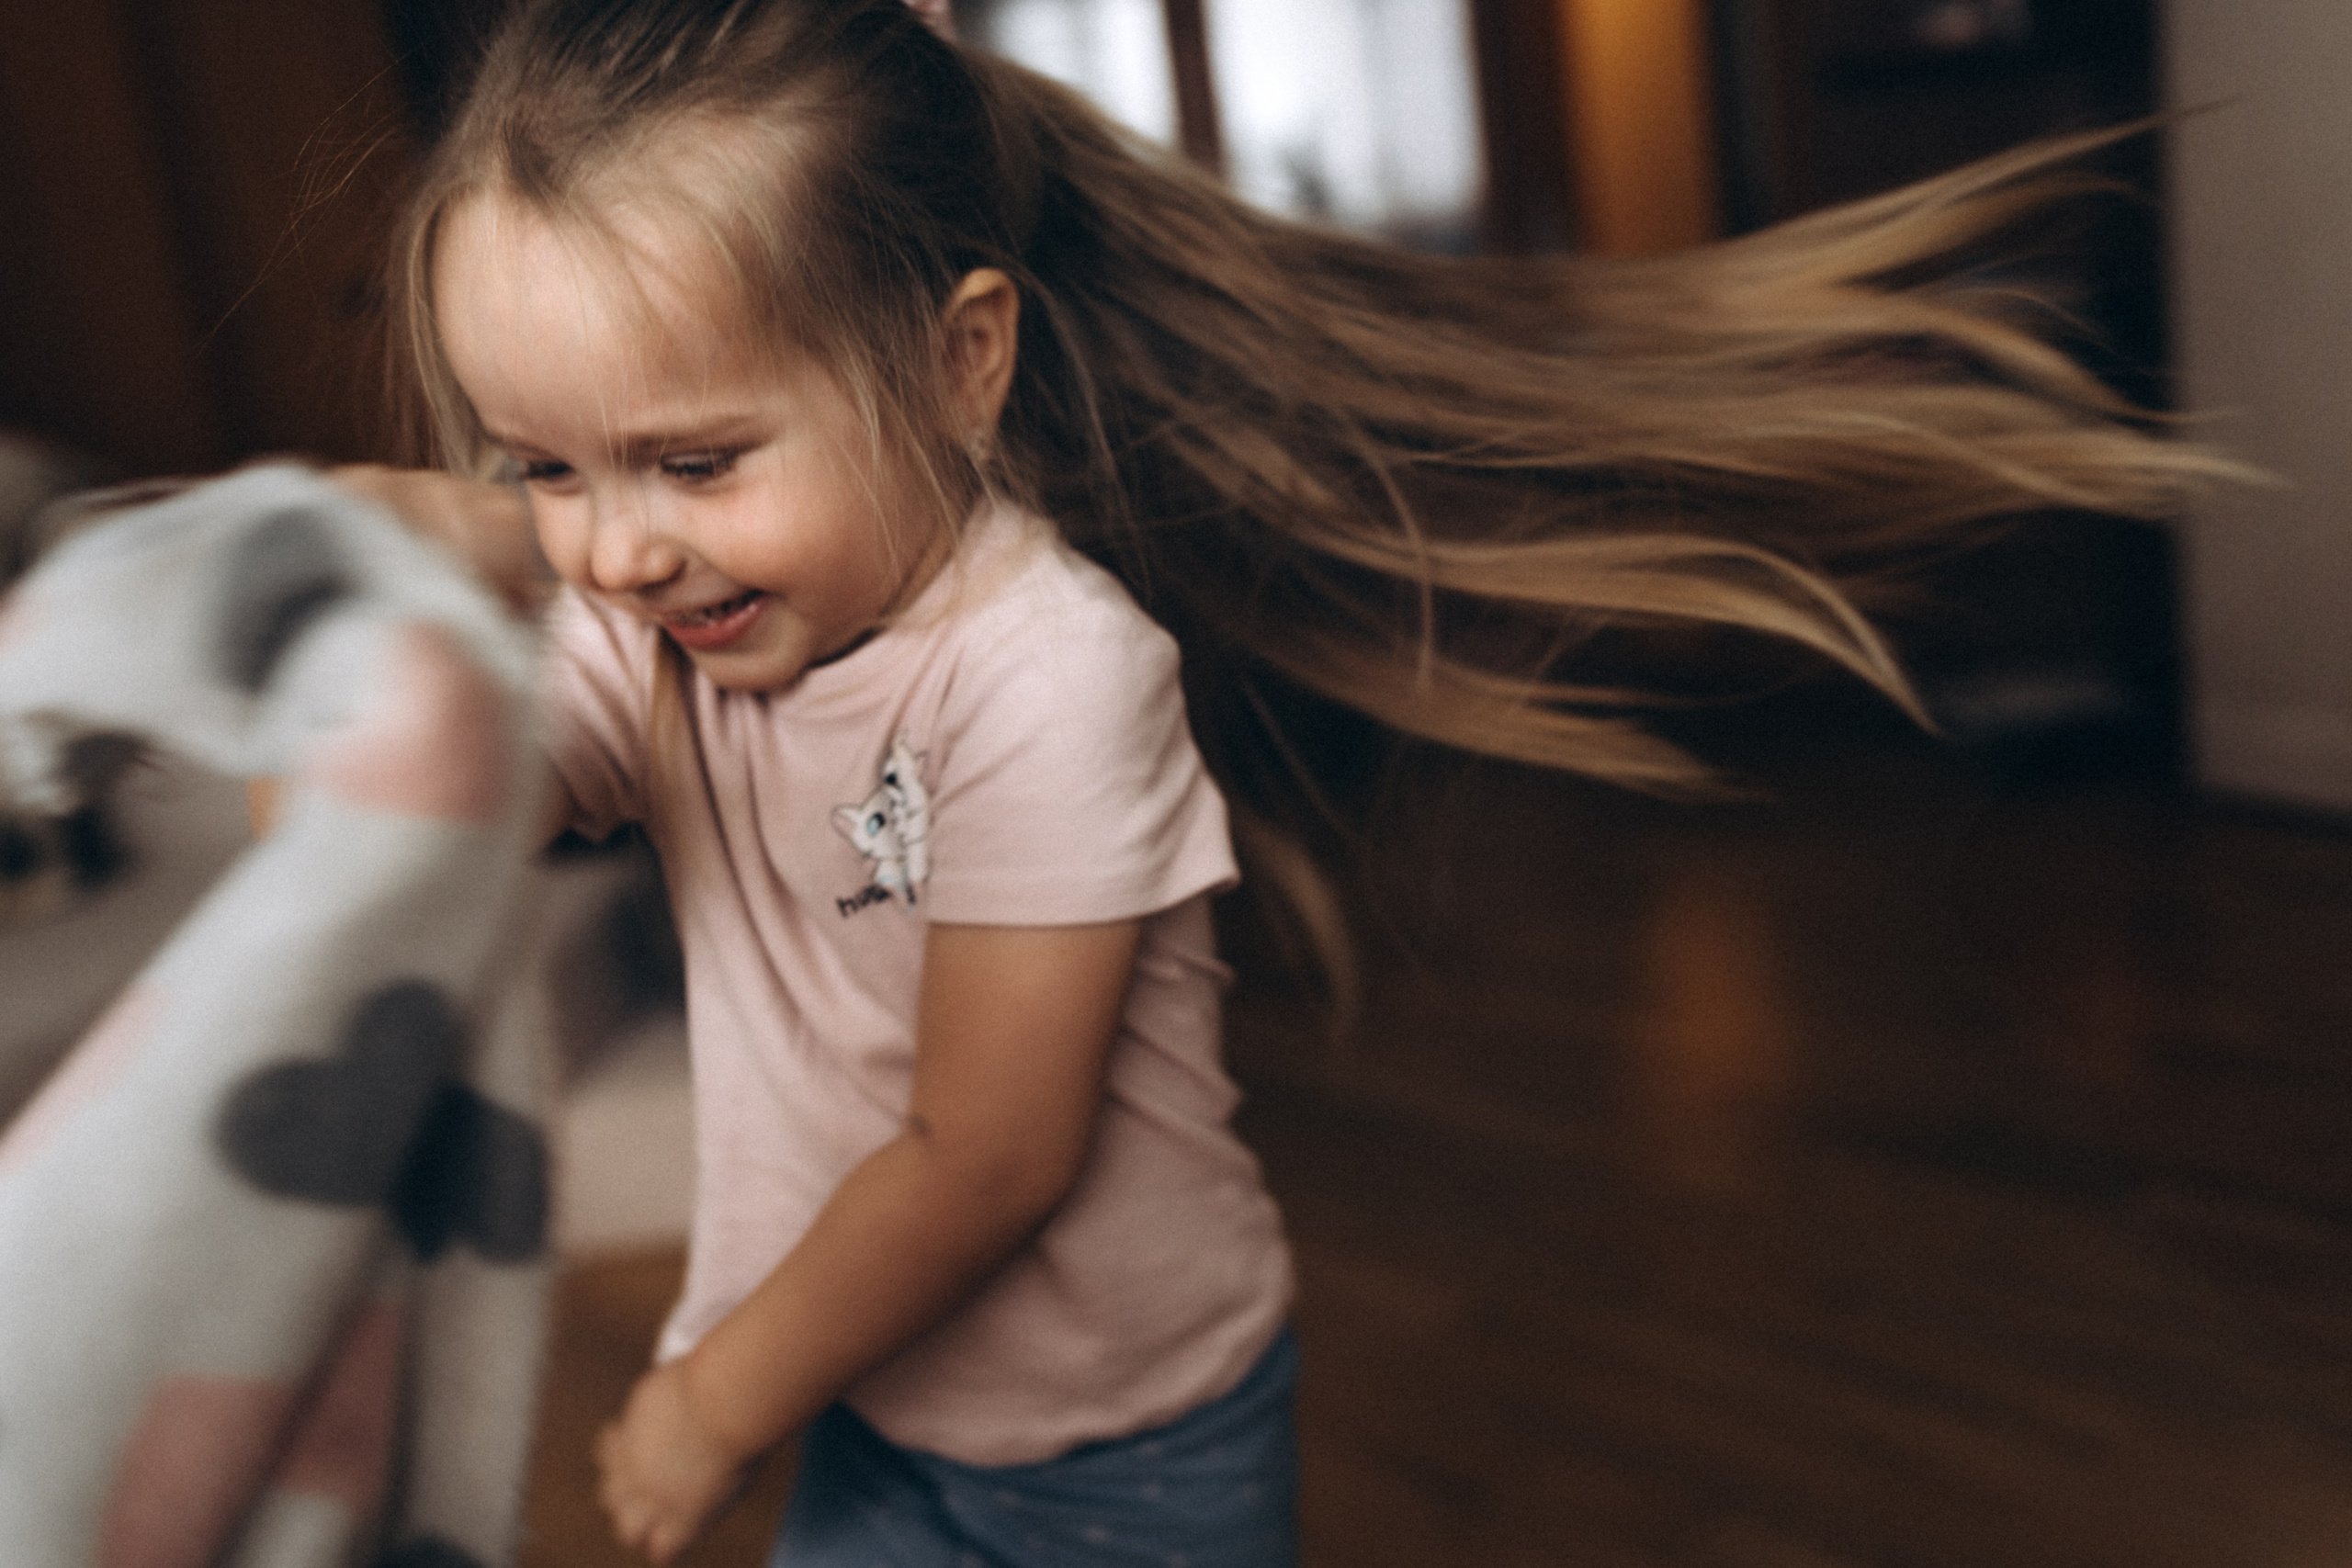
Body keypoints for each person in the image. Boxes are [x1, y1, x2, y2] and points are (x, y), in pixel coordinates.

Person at [366, 2, 2226, 1562]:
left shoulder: (1046, 677)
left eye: (691, 461)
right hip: (872, 1386)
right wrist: (381, 594)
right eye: (547, 467)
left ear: (956, 364)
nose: (617, 550)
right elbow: (416, 820)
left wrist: (713, 1391)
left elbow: (985, 1152)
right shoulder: (661, 634)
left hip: (1121, 1449)